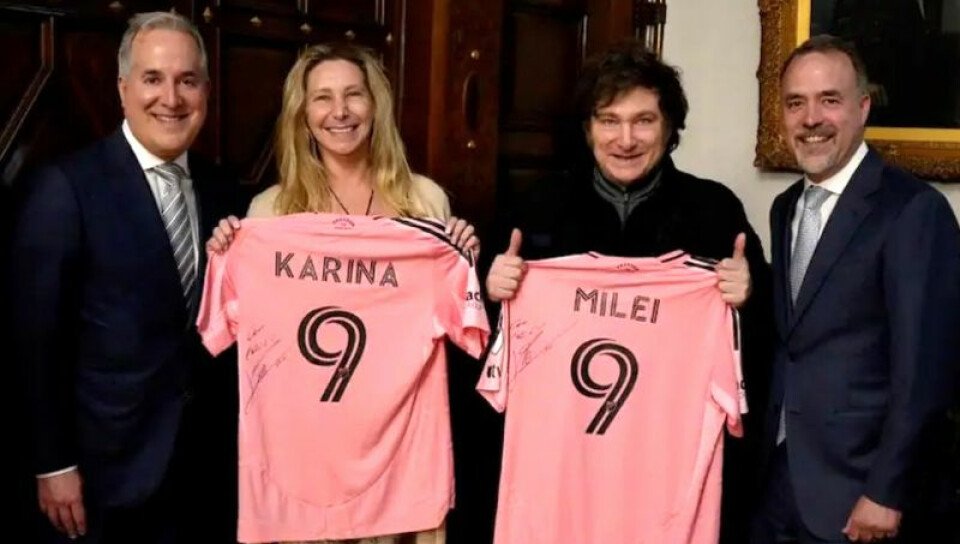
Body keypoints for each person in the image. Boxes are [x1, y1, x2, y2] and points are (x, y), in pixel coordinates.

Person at [484, 40, 773, 543]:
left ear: (670, 128)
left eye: (643, 121)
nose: (625, 139)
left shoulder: (713, 210)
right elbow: (485, 353)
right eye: (609, 121)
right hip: (562, 470)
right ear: (587, 129)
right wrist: (493, 289)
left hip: (660, 468)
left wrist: (749, 294)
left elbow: (760, 343)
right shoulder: (537, 207)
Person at [206, 43, 480, 544]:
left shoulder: (425, 202)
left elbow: (464, 329)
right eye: (322, 98)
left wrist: (462, 259)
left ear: (375, 105)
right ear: (302, 114)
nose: (340, 111)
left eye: (354, 95)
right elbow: (228, 333)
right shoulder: (269, 214)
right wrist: (230, 255)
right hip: (302, 470)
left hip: (400, 467)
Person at [10, 11, 246, 544]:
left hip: (206, 473)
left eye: (187, 80)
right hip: (102, 476)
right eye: (153, 78)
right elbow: (34, 343)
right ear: (122, 89)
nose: (171, 98)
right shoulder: (65, 188)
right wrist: (52, 463)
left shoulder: (226, 191)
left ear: (206, 91)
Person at [752, 34, 960, 544]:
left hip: (860, 493)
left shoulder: (913, 210)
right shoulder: (785, 208)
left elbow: (926, 371)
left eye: (829, 100)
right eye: (795, 103)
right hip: (779, 479)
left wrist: (886, 491)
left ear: (863, 107)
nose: (811, 119)